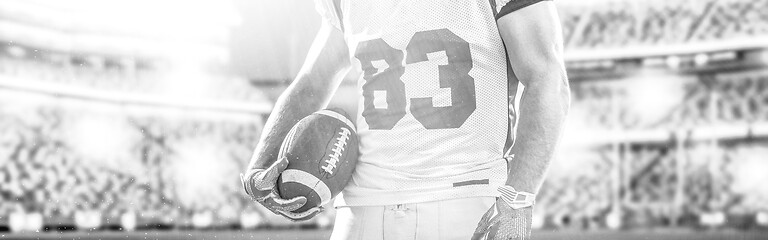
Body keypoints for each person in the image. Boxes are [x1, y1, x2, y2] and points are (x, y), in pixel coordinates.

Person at [241, 0, 570, 239]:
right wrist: (258, 169)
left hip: (463, 196)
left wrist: (518, 199)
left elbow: (547, 78)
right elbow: (312, 83)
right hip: (362, 205)